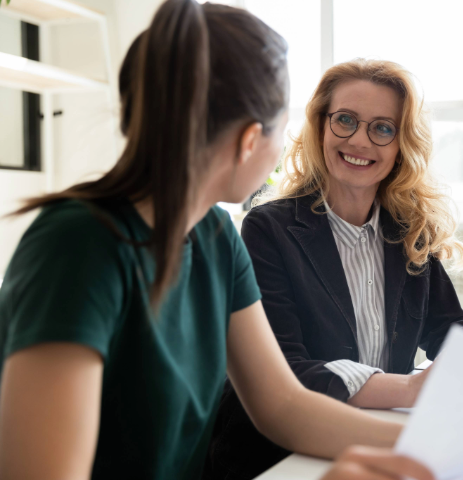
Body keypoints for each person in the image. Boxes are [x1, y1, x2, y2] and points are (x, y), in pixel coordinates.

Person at [0, 3, 440, 479]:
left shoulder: (214, 236)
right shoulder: (77, 246)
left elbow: (284, 405)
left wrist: (439, 446)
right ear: (251, 140)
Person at [207, 59, 463, 479]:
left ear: (401, 145)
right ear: (320, 127)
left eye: (382, 128)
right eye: (345, 120)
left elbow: (452, 325)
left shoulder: (410, 231)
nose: (360, 141)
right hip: (284, 456)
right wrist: (410, 389)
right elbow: (288, 371)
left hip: (377, 439)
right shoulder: (269, 230)